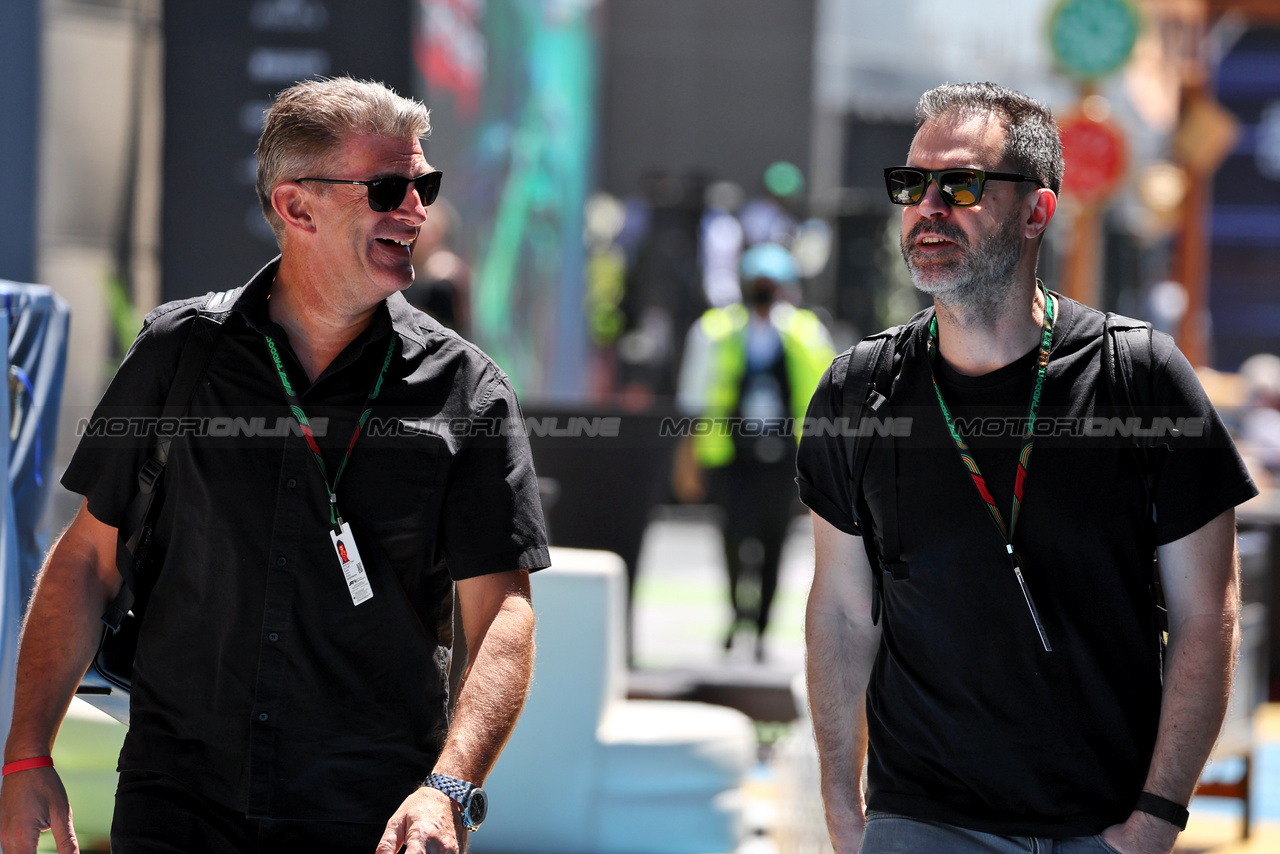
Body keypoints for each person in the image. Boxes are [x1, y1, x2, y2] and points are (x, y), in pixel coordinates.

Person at [0, 77, 548, 854]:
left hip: (371, 819)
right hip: (175, 804)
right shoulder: (177, 351)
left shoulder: (469, 391)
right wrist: (27, 752)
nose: (417, 210)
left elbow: (502, 613)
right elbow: (88, 559)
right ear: (297, 208)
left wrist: (451, 786)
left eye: (424, 185)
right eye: (390, 187)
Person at [797, 82, 1258, 854]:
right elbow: (843, 613)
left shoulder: (1140, 375)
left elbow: (1209, 615)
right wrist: (844, 815)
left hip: (1100, 825)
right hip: (921, 820)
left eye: (963, 184)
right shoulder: (856, 389)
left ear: (1038, 211)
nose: (929, 206)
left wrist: (1153, 822)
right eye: (913, 184)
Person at [675, 242, 834, 661]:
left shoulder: (805, 333)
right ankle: (735, 615)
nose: (764, 293)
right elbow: (693, 402)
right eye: (758, 285)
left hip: (785, 461)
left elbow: (824, 401)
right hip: (730, 456)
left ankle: (761, 627)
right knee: (732, 539)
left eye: (771, 285)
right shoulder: (714, 332)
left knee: (774, 541)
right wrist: (688, 460)